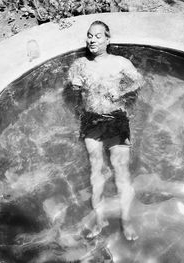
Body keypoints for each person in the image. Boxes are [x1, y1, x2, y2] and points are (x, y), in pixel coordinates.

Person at [68, 20, 144, 241]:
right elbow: (71, 84)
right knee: (95, 172)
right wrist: (74, 84)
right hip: (90, 120)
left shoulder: (120, 62)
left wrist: (121, 92)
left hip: (116, 118)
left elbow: (139, 81)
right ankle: (100, 218)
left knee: (121, 172)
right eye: (90, 35)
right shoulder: (80, 64)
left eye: (98, 36)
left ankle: (126, 220)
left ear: (108, 39)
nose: (92, 39)